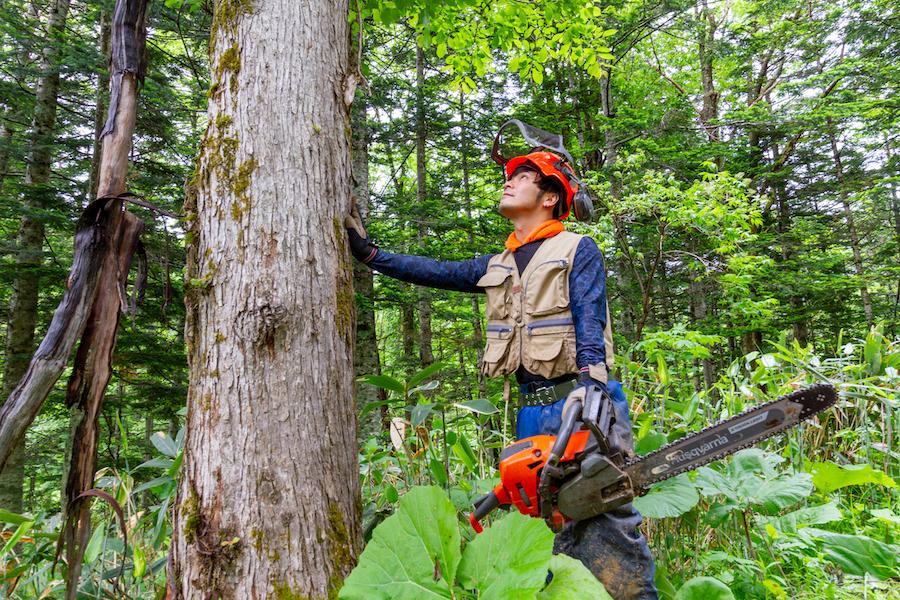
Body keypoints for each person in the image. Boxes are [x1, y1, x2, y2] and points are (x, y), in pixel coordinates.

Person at [345, 147, 658, 599]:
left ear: (550, 196)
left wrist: (592, 386)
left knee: (605, 517)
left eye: (524, 177)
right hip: (532, 411)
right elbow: (437, 271)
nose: (509, 182)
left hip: (583, 399)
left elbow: (590, 317)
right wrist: (371, 254)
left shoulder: (576, 249)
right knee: (545, 529)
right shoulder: (500, 264)